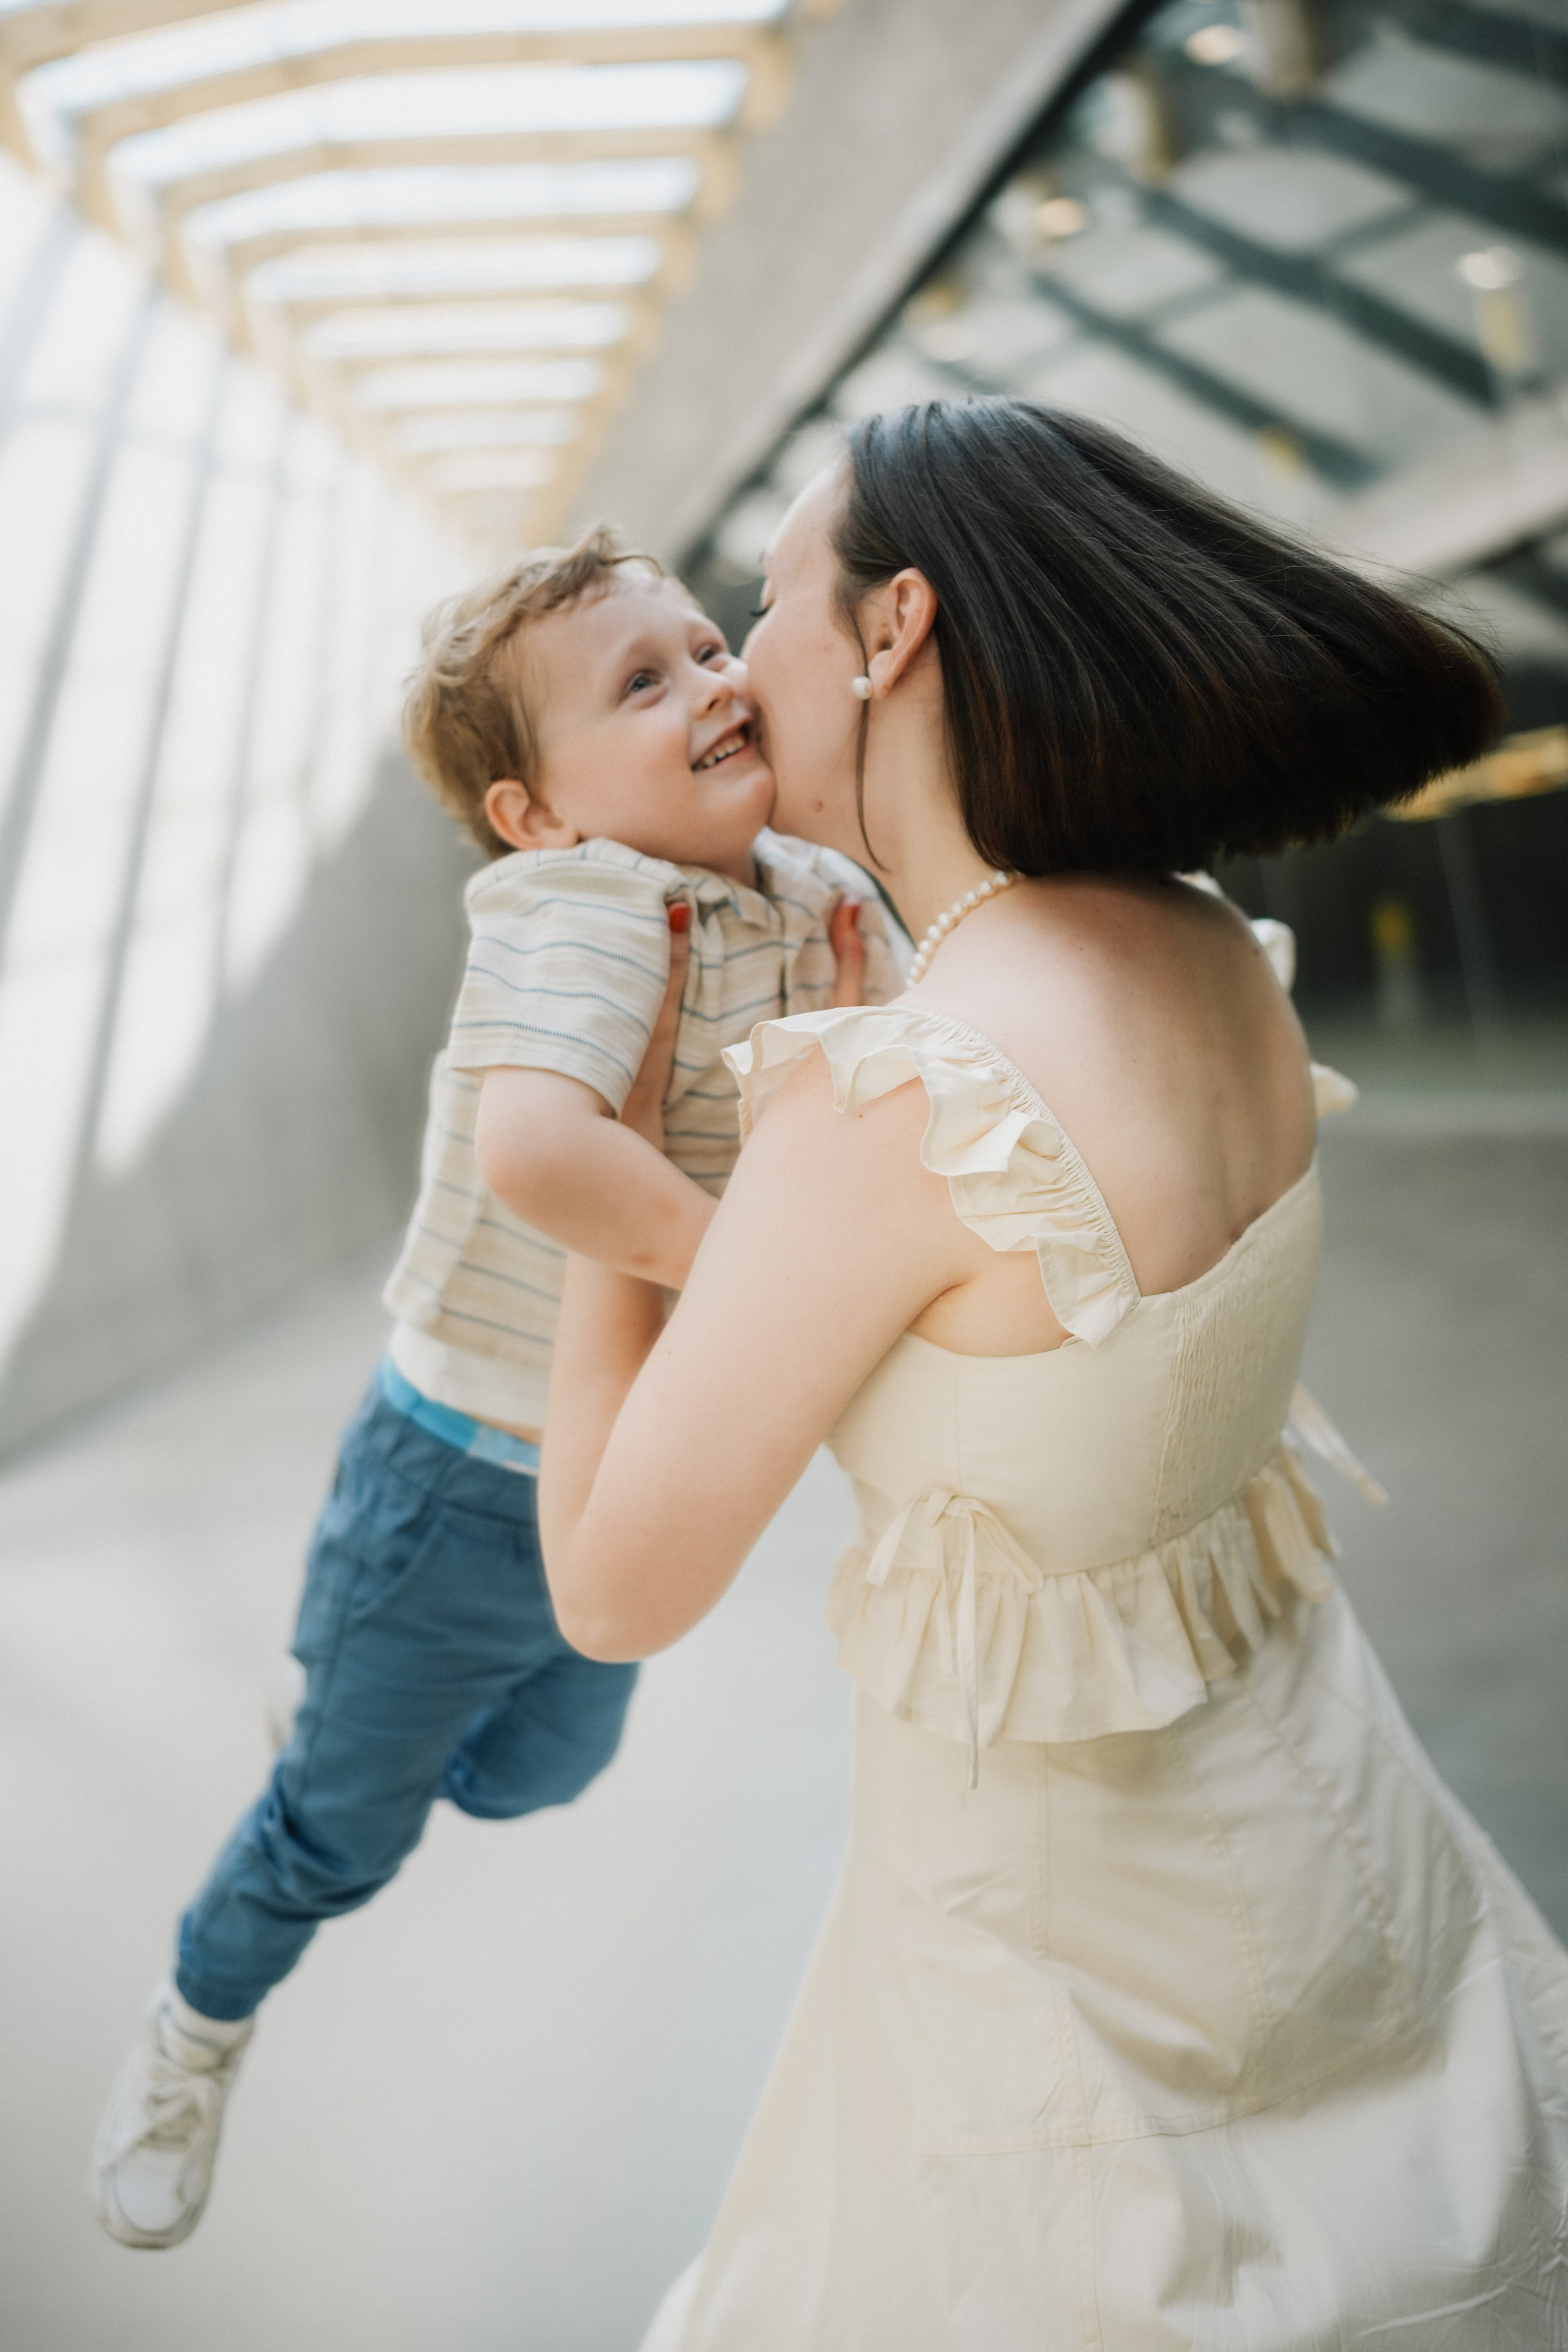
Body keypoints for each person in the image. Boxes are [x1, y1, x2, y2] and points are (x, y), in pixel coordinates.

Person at [537, 401, 1568, 2346]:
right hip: (1330, 1862)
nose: (739, 670)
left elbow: (610, 1587)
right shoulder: (1211, 951)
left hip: (1056, 1986)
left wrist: (594, 1145)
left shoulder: (903, 1099)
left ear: (893, 627)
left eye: (768, 603)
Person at [92, 529, 897, 2252]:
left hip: (616, 1461)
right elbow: (539, 1151)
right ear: (537, 813)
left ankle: (346, 1707)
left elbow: (936, 1020)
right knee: (340, 1840)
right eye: (641, 683)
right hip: (456, 1484)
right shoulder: (587, 905)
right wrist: (757, 1281)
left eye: (704, 647)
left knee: (542, 1773)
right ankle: (196, 2020)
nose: (711, 683)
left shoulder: (807, 886)